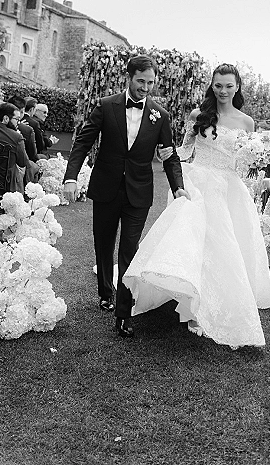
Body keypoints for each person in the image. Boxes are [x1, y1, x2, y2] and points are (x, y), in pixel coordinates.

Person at [123, 63, 270, 348]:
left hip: (228, 188)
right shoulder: (198, 115)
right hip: (198, 183)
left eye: (229, 86)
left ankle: (208, 304)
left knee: (223, 244)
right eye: (218, 85)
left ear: (238, 86)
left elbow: (241, 163)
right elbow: (185, 150)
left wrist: (256, 161)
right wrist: (165, 152)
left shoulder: (247, 123)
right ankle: (191, 302)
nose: (223, 91)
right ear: (212, 85)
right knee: (197, 242)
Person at [63, 55, 187, 338]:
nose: (145, 87)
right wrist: (71, 176)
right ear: (128, 78)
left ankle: (123, 313)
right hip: (106, 187)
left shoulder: (161, 116)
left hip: (139, 193)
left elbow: (170, 157)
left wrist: (177, 186)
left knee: (129, 250)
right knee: (104, 243)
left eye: (151, 82)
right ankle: (105, 292)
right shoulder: (106, 106)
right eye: (141, 81)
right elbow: (83, 142)